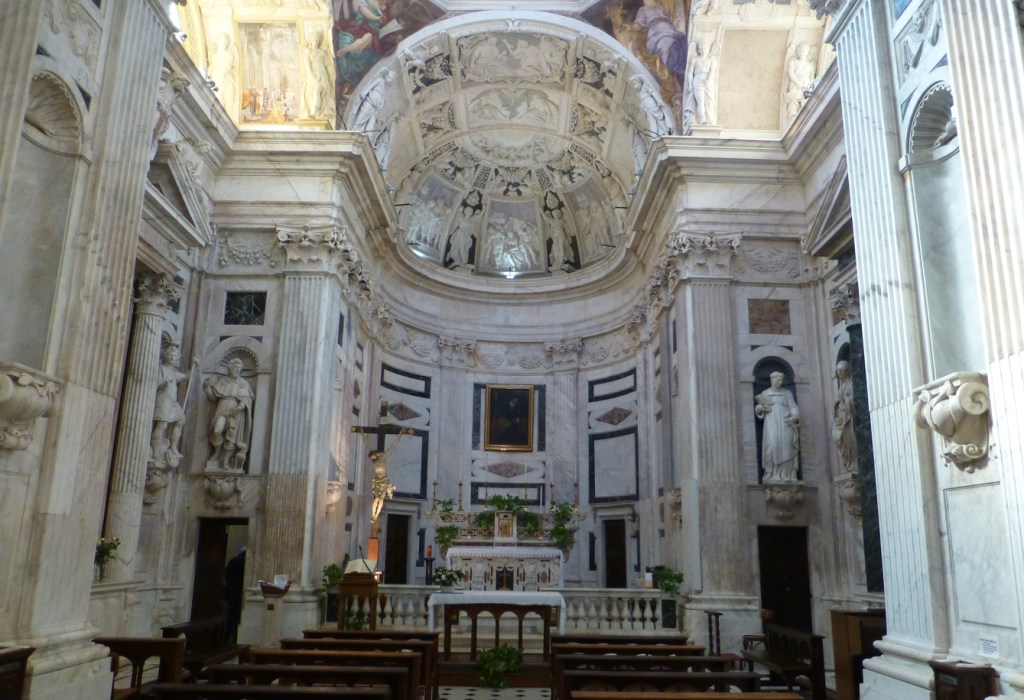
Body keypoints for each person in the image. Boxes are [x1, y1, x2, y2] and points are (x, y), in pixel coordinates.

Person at [203, 358, 254, 471]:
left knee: (232, 437)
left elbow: (247, 399)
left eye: (239, 367)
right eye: (234, 366)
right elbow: (213, 397)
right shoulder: (223, 381)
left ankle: (225, 462)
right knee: (217, 430)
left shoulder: (243, 383)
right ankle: (217, 451)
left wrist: (240, 406)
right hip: (222, 408)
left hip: (236, 412)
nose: (237, 369)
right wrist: (206, 388)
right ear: (230, 367)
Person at [150, 342, 196, 469]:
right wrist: (163, 384)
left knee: (180, 420)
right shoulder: (161, 368)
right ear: (165, 355)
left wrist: (195, 366)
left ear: (178, 358)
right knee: (162, 425)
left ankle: (173, 447)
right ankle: (155, 452)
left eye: (175, 355)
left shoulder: (174, 371)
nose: (172, 357)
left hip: (173, 402)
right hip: (163, 400)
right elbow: (154, 384)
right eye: (170, 354)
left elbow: (186, 377)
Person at [754, 371, 800, 481]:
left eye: (781, 380)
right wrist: (759, 408)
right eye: (778, 380)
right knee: (771, 447)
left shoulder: (787, 393)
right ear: (772, 380)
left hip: (786, 423)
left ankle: (785, 474)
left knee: (787, 447)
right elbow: (759, 407)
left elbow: (793, 407)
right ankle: (770, 473)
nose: (780, 382)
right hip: (771, 423)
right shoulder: (765, 393)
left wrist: (794, 416)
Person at [684, 40, 717, 127]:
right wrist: (690, 84)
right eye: (701, 48)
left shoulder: (711, 60)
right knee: (701, 101)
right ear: (698, 50)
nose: (703, 49)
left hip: (708, 81)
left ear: (708, 49)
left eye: (705, 47)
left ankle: (710, 119)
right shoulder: (694, 59)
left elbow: (712, 71)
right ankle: (702, 119)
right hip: (697, 80)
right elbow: (690, 73)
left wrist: (708, 80)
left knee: (710, 101)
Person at [832, 360, 857, 472]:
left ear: (847, 371)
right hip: (841, 416)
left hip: (849, 418)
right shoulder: (841, 386)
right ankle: (848, 462)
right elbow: (837, 401)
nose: (840, 374)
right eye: (838, 372)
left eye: (841, 371)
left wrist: (846, 400)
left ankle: (854, 462)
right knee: (840, 440)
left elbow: (854, 400)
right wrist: (836, 404)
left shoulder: (852, 384)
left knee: (850, 438)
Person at [369, 451, 395, 537]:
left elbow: (386, 452)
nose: (372, 460)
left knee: (381, 499)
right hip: (377, 481)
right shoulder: (376, 463)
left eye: (373, 458)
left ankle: (376, 515)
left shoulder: (382, 460)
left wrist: (377, 454)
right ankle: (374, 515)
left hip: (384, 481)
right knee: (377, 498)